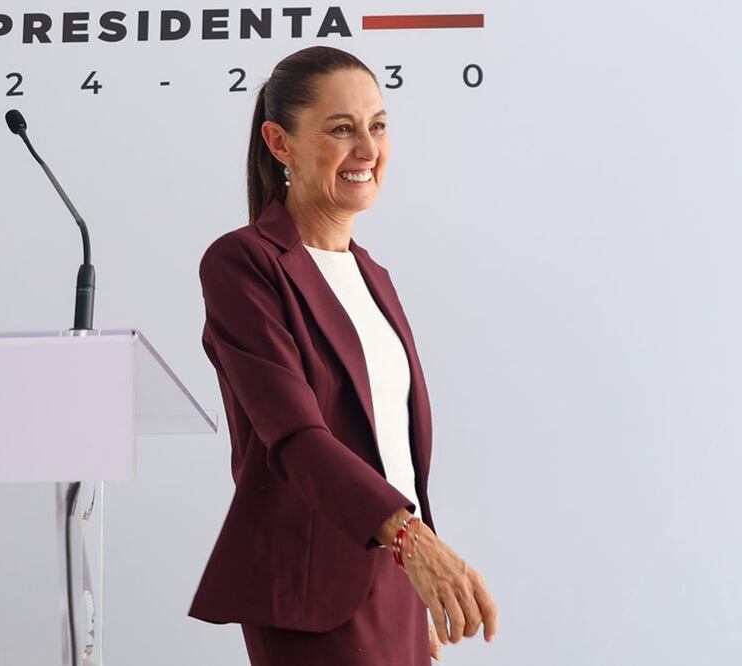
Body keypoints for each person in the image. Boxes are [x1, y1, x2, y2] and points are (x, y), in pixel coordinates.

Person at [189, 45, 498, 665]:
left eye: (378, 126)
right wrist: (415, 543)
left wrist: (417, 573)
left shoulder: (373, 276)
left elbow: (389, 446)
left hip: (394, 569)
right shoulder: (244, 263)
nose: (367, 150)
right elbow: (295, 434)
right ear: (280, 144)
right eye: (341, 129)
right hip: (314, 583)